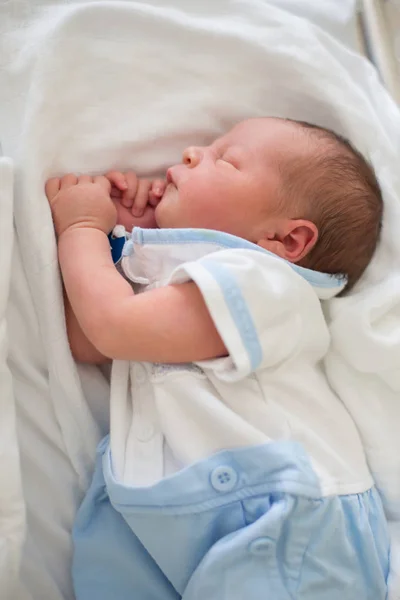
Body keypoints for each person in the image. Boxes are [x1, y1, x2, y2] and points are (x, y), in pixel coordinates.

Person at [46, 117, 388, 599]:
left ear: (286, 242)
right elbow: (88, 340)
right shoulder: (178, 279)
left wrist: (81, 228)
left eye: (224, 159)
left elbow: (114, 328)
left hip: (285, 518)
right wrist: (124, 235)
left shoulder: (262, 282)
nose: (190, 152)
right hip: (152, 516)